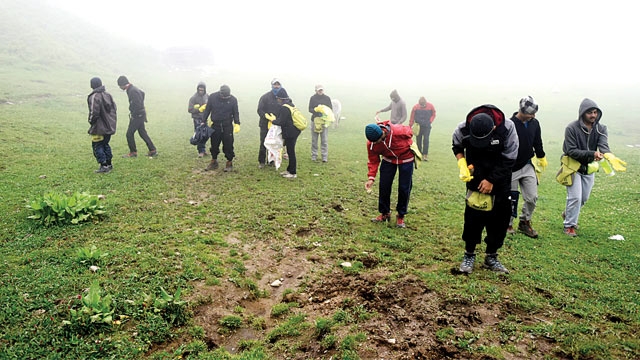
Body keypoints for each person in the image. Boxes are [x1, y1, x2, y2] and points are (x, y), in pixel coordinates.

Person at [452, 105, 519, 274]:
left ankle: (491, 257)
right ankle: (469, 254)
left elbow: (509, 159)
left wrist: (491, 180)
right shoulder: (463, 128)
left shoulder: (507, 129)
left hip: (500, 181)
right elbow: (457, 146)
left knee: (500, 219)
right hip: (475, 177)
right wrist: (462, 163)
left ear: (494, 128)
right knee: (473, 218)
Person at [561, 98, 627, 237]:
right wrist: (592, 153)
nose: (593, 115)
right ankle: (569, 226)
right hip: (573, 167)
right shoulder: (571, 128)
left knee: (583, 198)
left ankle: (568, 213)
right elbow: (570, 150)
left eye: (595, 112)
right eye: (590, 112)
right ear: (582, 113)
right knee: (575, 198)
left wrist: (609, 155)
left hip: (589, 168)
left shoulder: (600, 128)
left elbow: (603, 145)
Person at [507, 96, 547, 238]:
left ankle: (525, 221)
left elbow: (537, 142)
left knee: (532, 197)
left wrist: (542, 157)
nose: (533, 116)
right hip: (511, 167)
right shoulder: (509, 124)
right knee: (510, 198)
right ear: (522, 111)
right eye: (530, 113)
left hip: (528, 165)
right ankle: (508, 223)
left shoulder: (534, 123)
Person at [364, 121, 415, 228]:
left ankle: (401, 215)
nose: (381, 142)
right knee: (384, 186)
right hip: (388, 159)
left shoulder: (397, 131)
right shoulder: (372, 144)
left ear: (383, 131)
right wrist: (371, 178)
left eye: (382, 139)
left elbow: (410, 132)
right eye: (378, 142)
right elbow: (373, 160)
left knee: (404, 187)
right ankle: (385, 213)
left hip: (406, 157)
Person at [202, 85, 240, 172]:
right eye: (224, 96)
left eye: (227, 96)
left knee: (228, 145)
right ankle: (214, 161)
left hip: (227, 126)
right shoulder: (212, 97)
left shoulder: (233, 100)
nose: (226, 98)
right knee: (214, 144)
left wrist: (237, 123)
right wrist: (203, 120)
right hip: (215, 125)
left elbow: (235, 112)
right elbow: (207, 109)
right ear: (220, 93)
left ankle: (229, 162)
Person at [117, 75, 157, 158]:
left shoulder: (132, 91)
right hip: (141, 114)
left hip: (137, 115)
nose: (120, 88)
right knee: (142, 132)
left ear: (122, 84)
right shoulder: (133, 88)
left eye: (119, 86)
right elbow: (142, 93)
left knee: (129, 134)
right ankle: (152, 149)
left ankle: (133, 152)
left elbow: (136, 104)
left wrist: (134, 113)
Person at [87, 77, 117, 173]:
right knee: (105, 144)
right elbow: (114, 108)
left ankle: (103, 166)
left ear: (92, 85)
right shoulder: (108, 95)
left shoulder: (94, 96)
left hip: (99, 127)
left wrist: (91, 121)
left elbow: (94, 112)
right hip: (109, 126)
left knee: (97, 145)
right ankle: (109, 163)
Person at [271, 88, 300, 179]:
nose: (277, 100)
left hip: (290, 132)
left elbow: (281, 121)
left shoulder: (284, 108)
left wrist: (273, 121)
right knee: (290, 150)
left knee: (291, 152)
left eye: (278, 98)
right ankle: (289, 169)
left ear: (280, 98)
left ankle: (293, 172)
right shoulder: (291, 104)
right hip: (294, 131)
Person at [257, 78, 282, 168]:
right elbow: (259, 110)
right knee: (263, 142)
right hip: (265, 124)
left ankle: (271, 160)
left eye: (278, 84)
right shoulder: (265, 97)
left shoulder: (282, 98)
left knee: (274, 143)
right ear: (272, 85)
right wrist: (266, 116)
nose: (276, 86)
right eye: (275, 84)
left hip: (276, 125)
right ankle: (261, 161)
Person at [308, 84, 333, 162]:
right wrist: (316, 111)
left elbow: (330, 109)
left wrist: (324, 113)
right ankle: (314, 155)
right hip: (314, 121)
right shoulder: (312, 98)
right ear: (316, 91)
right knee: (314, 140)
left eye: (321, 90)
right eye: (319, 90)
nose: (320, 91)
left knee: (324, 140)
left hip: (324, 121)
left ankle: (324, 156)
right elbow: (310, 109)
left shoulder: (327, 98)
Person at [187, 82, 209, 157]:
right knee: (200, 134)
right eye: (199, 90)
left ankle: (203, 149)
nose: (201, 91)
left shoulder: (207, 96)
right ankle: (201, 151)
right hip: (197, 118)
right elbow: (190, 109)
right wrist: (198, 109)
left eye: (202, 90)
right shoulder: (193, 98)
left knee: (205, 135)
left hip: (205, 118)